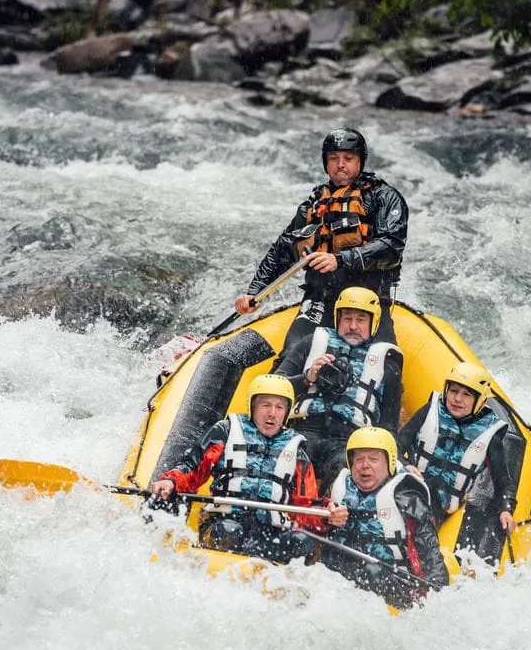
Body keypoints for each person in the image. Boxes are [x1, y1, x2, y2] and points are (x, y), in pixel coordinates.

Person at [234, 128, 409, 350]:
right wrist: (255, 292)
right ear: (325, 162)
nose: (340, 165)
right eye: (333, 158)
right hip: (321, 298)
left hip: (368, 299)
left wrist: (340, 259)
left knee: (386, 359)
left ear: (361, 161)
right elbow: (282, 250)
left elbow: (392, 246)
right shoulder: (314, 204)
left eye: (348, 158)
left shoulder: (383, 197)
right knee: (292, 353)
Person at [149, 373, 324, 562]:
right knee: (230, 531)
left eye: (279, 407)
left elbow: (305, 506)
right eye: (265, 405)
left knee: (301, 542)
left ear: (286, 412)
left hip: (271, 533)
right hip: (224, 522)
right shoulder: (226, 431)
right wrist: (170, 481)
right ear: (252, 406)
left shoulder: (297, 450)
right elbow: (193, 469)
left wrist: (328, 516)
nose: (272, 413)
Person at [275, 286, 403, 486]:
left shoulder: (388, 365)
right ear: (337, 319)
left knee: (344, 471)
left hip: (349, 440)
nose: (353, 326)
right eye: (347, 318)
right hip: (305, 429)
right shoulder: (312, 342)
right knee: (290, 459)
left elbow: (389, 425)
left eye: (361, 320)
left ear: (374, 322)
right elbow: (274, 387)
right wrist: (308, 377)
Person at [397, 361, 520, 568]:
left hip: (439, 506)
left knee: (418, 533)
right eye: (453, 391)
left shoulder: (490, 435)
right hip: (409, 490)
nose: (457, 399)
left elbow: (504, 483)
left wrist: (506, 510)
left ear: (480, 401)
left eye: (466, 395)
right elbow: (396, 446)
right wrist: (405, 464)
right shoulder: (430, 411)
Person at [322, 426, 449, 608]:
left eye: (373, 459)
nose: (365, 465)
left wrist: (437, 596)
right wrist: (326, 518)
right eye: (359, 459)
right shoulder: (339, 487)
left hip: (396, 586)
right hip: (342, 581)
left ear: (389, 462)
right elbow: (311, 518)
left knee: (371, 571)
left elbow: (429, 550)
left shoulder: (407, 497)